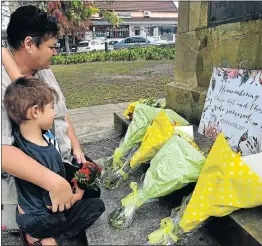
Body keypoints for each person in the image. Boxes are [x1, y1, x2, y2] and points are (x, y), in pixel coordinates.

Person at [1, 4, 104, 245]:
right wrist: (54, 182)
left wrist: (77, 149)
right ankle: (36, 232)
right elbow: (3, 151)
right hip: (33, 179)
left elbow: (61, 114)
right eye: (51, 46)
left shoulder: (43, 72)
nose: (55, 52)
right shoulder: (4, 84)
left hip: (59, 158)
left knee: (93, 188)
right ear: (29, 44)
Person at [3, 76, 104, 246]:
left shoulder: (20, 137)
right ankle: (49, 240)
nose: (55, 113)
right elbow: (54, 206)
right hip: (41, 220)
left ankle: (34, 234)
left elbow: (20, 95)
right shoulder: (49, 157)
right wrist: (78, 193)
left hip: (23, 214)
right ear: (35, 112)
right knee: (96, 205)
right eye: (51, 108)